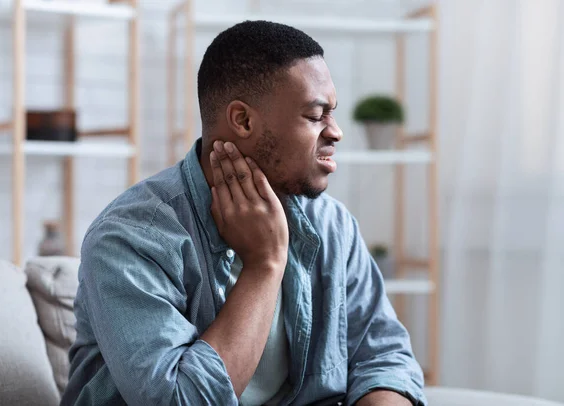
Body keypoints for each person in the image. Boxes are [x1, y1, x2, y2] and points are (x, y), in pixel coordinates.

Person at [61, 20, 426, 406]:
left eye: (331, 113)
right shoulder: (131, 238)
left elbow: (384, 358)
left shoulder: (333, 226)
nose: (336, 132)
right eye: (315, 115)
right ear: (244, 121)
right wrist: (265, 264)